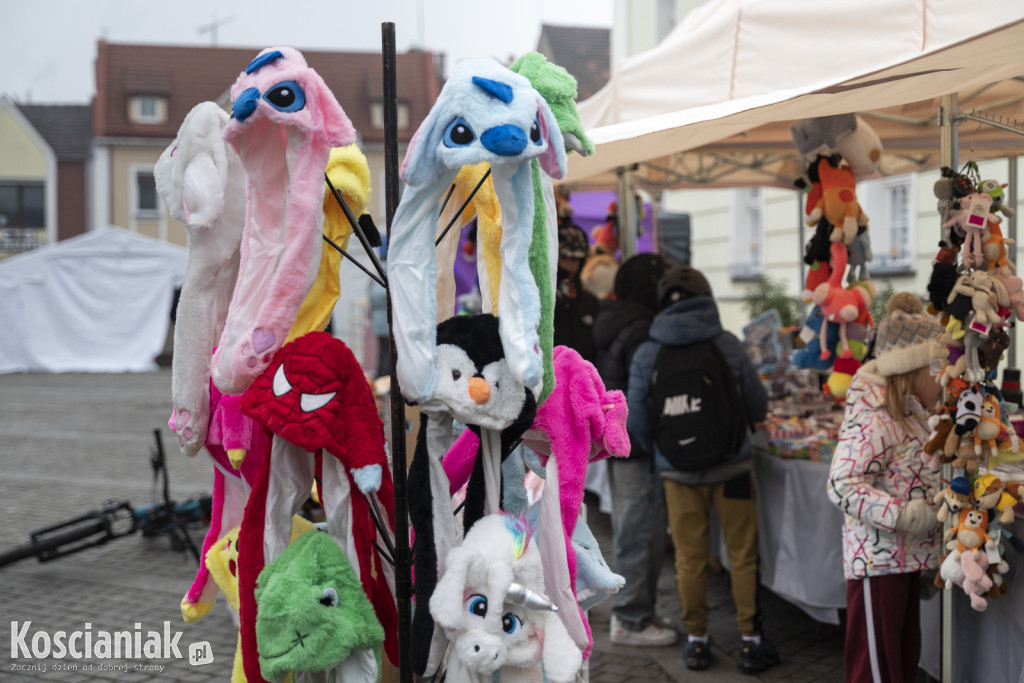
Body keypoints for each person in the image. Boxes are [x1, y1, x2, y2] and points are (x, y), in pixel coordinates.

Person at [627, 265, 776, 674]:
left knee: (689, 560)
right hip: (733, 469)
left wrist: (663, 451)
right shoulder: (727, 344)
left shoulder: (648, 352)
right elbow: (757, 402)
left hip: (678, 474)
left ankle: (696, 640)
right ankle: (751, 640)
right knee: (742, 555)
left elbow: (635, 417)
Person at [826, 293, 944, 683]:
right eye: (937, 366)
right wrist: (903, 514)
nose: (945, 375)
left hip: (906, 559)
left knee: (902, 656)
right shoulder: (876, 418)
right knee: (876, 663)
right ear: (912, 369)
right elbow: (842, 484)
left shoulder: (913, 414)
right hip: (879, 562)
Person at [593, 253, 678, 647]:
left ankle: (639, 610)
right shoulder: (642, 328)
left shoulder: (617, 320)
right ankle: (630, 619)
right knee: (640, 533)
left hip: (622, 441)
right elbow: (643, 393)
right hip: (638, 445)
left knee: (635, 530)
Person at [553, 223, 599, 364]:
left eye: (575, 259)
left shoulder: (591, 302)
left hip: (582, 375)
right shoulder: (538, 300)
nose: (570, 265)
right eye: (563, 257)